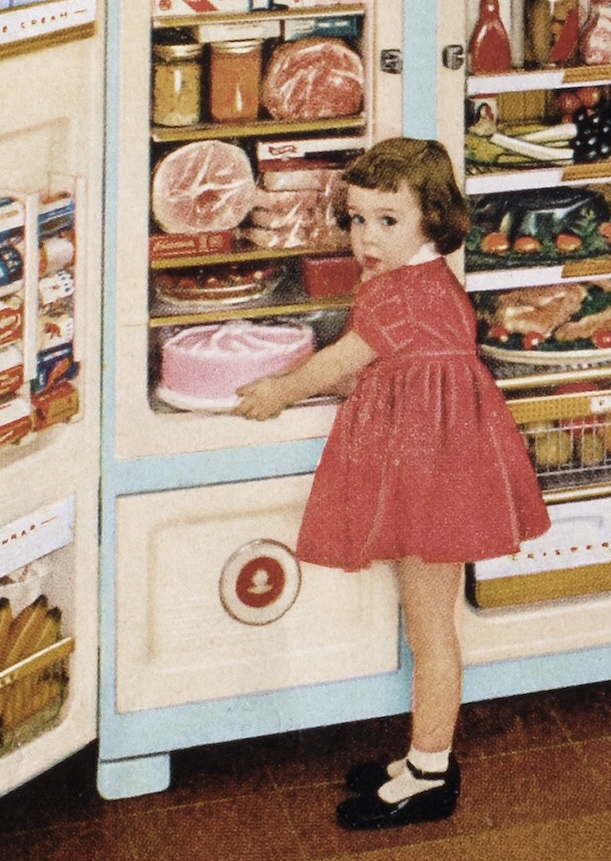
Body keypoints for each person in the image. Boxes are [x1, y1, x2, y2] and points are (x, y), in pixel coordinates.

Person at [233, 137, 550, 830]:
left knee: (431, 630)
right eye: (356, 219)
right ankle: (419, 759)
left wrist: (280, 391)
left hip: (432, 474)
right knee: (427, 624)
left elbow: (345, 360)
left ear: (432, 221)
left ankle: (430, 774)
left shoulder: (401, 295)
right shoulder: (421, 282)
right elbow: (387, 363)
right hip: (436, 463)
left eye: (387, 221)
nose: (366, 238)